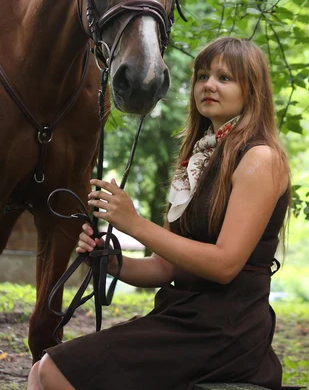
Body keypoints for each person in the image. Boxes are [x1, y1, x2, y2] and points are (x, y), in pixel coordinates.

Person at [28, 36, 291, 390]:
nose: (208, 85)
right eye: (201, 76)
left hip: (225, 328)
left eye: (224, 78)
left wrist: (134, 224)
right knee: (40, 369)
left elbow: (225, 264)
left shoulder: (260, 159)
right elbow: (163, 267)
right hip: (181, 315)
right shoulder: (196, 161)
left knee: (53, 371)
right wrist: (108, 260)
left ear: (253, 89)